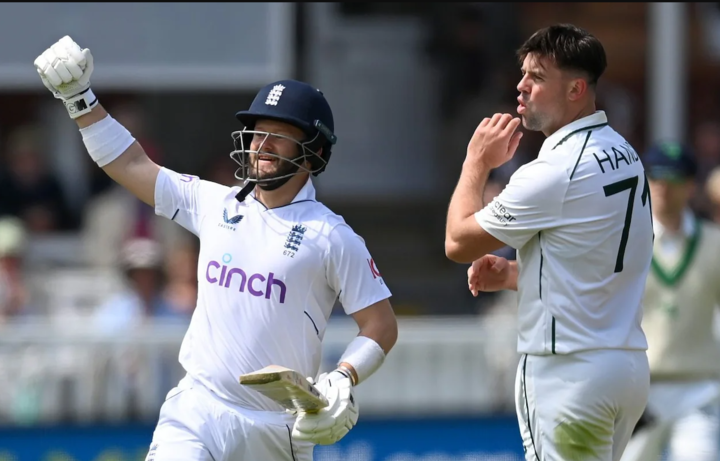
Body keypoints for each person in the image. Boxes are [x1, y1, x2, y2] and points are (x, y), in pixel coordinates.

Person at [33, 36, 398, 460]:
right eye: (258, 133)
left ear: (314, 152)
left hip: (275, 428)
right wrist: (79, 99)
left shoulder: (331, 235)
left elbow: (381, 325)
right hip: (197, 408)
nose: (262, 145)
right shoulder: (214, 203)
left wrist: (343, 376)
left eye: (279, 136)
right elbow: (131, 164)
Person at [445, 24, 653, 460]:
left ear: (576, 89)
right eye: (523, 73)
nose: (521, 86)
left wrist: (475, 162)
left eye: (537, 77)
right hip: (625, 368)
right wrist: (517, 274)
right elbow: (601, 260)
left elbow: (458, 242)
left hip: (569, 375)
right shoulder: (624, 152)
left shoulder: (555, 169)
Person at [620, 142, 720, 461]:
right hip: (638, 388)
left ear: (690, 186)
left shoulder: (715, 243)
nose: (664, 188)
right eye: (657, 178)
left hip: (699, 389)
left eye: (674, 179)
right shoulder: (623, 242)